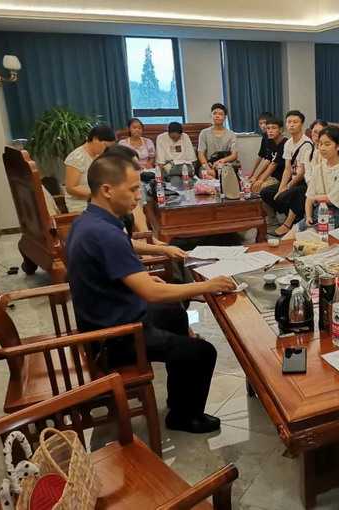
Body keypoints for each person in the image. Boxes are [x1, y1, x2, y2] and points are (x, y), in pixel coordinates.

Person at [66, 154, 237, 433]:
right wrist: (207, 286)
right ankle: (183, 418)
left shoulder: (90, 221)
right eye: (133, 189)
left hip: (108, 315)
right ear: (107, 190)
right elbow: (151, 292)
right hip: (113, 337)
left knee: (174, 313)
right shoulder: (104, 234)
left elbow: (124, 248)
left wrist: (159, 251)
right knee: (202, 352)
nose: (138, 196)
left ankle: (179, 396)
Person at [260, 110, 314, 236]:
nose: (292, 125)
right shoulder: (289, 143)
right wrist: (281, 187)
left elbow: (302, 172)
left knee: (291, 193)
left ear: (302, 124)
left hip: (304, 181)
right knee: (266, 192)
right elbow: (287, 168)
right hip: (292, 179)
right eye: (289, 122)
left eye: (295, 122)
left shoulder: (306, 144)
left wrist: (287, 187)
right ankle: (288, 216)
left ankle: (289, 223)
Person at [298, 125, 339, 231]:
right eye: (320, 144)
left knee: (309, 236)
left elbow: (332, 199)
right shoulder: (319, 167)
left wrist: (314, 198)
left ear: (338, 146)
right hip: (319, 210)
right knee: (293, 234)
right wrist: (308, 216)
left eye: (327, 144)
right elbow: (309, 196)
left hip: (338, 213)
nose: (322, 148)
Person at [65, 124, 116, 200]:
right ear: (95, 139)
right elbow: (71, 188)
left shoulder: (98, 155)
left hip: (97, 199)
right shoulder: (77, 157)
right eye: (105, 145)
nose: (106, 150)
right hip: (81, 202)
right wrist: (99, 195)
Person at [197, 103, 238, 178]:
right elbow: (201, 153)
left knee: (226, 175)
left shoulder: (231, 134)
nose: (217, 116)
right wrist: (207, 167)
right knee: (206, 174)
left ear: (225, 117)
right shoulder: (204, 133)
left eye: (220, 114)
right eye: (215, 113)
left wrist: (222, 161)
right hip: (208, 164)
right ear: (211, 115)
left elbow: (234, 155)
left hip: (224, 164)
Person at [249, 117, 286, 194]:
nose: (270, 131)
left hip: (281, 178)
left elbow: (273, 164)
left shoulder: (284, 143)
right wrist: (256, 176)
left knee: (258, 188)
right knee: (251, 184)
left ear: (280, 130)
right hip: (273, 175)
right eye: (268, 128)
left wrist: (261, 180)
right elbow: (268, 161)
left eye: (273, 128)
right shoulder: (271, 141)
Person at [250, 111, 274, 177]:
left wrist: (256, 176)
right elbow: (260, 155)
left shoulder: (273, 138)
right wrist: (252, 173)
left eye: (265, 123)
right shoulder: (265, 136)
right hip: (269, 169)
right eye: (260, 123)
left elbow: (269, 160)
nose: (263, 126)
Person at [304, 119, 329, 185]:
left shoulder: (329, 153)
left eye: (321, 132)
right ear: (311, 132)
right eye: (315, 132)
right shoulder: (308, 153)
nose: (317, 135)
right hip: (311, 186)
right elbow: (307, 175)